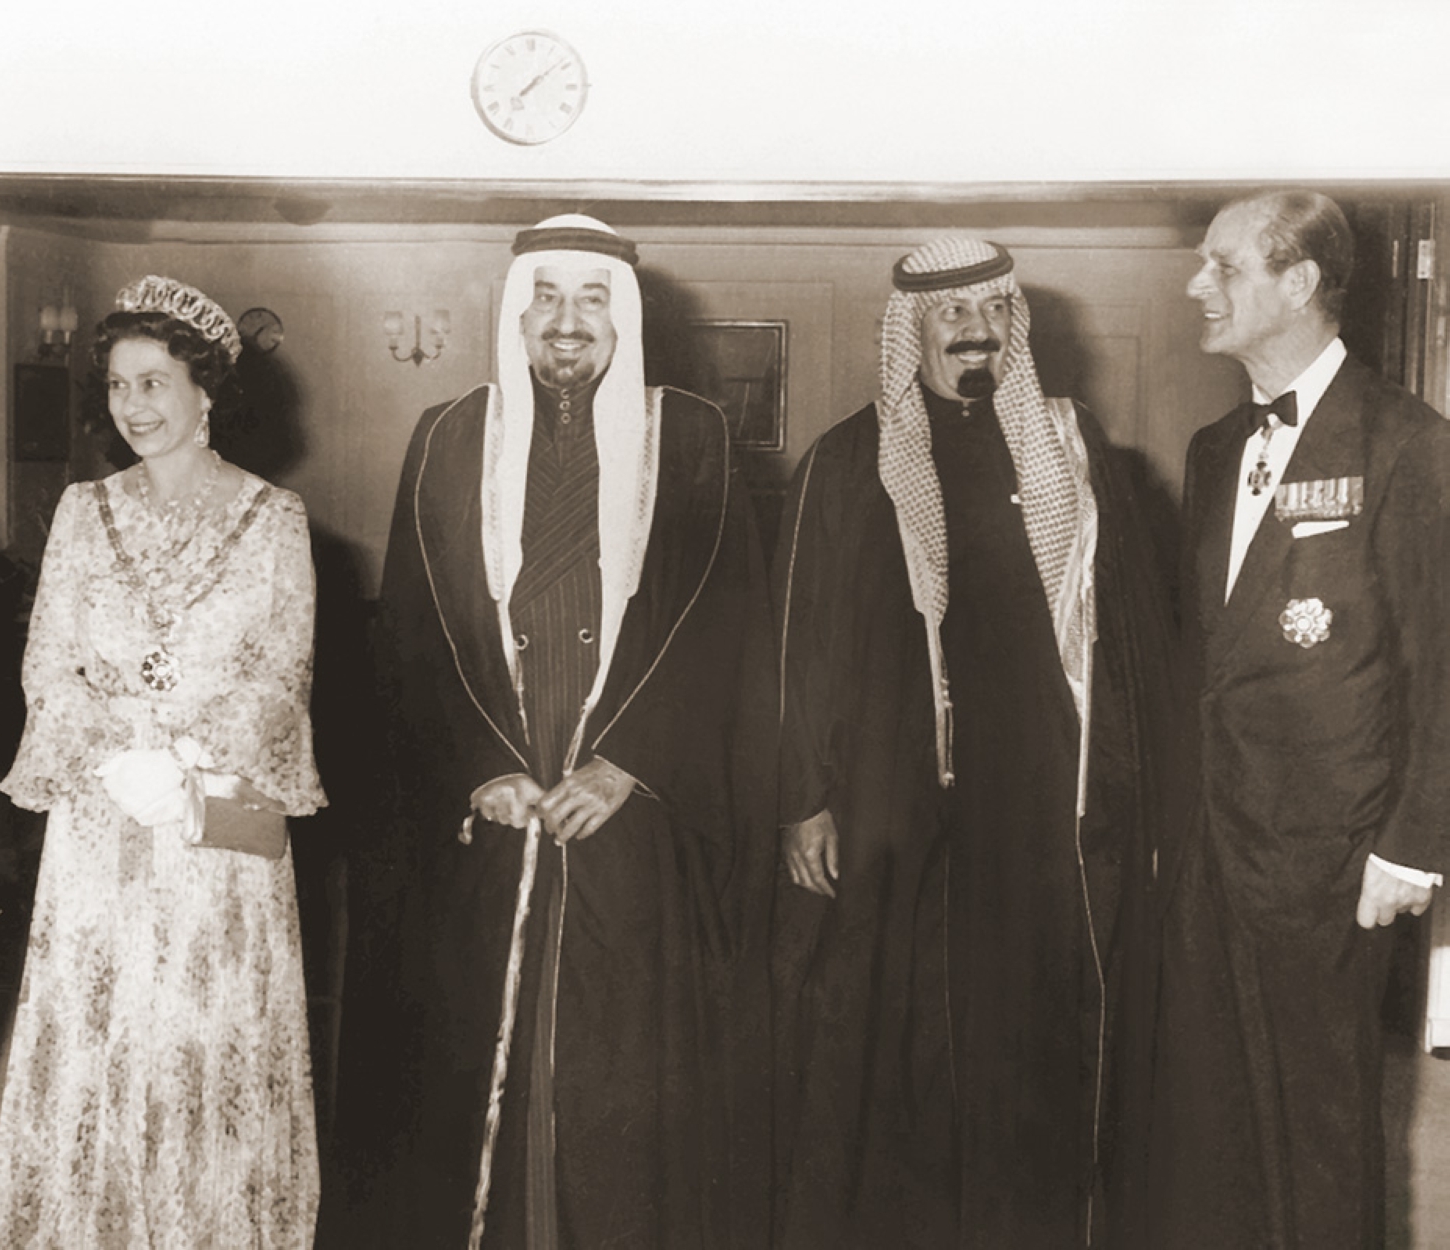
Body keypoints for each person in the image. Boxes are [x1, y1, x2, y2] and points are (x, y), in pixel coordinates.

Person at [338, 215, 777, 1248]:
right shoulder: (447, 436)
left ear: (621, 318)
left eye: (590, 299)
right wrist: (477, 765)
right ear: (516, 312)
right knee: (462, 1077)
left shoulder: (696, 435)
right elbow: (409, 633)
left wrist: (633, 761)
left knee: (618, 1079)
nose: (565, 322)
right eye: (545, 298)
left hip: (630, 821)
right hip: (490, 820)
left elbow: (729, 626)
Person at [771, 237, 1177, 1247]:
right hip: (887, 796)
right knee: (889, 1029)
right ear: (909, 330)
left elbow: (1126, 637)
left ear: (1012, 326)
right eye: (948, 315)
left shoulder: (1072, 456)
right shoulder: (841, 460)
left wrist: (1128, 792)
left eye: (989, 310)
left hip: (1035, 799)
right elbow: (798, 644)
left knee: (1026, 1028)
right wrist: (802, 795)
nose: (970, 331)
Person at [0, 275, 327, 1247]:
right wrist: (115, 756)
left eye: (154, 382)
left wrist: (181, 756)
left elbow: (281, 675)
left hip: (214, 828)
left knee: (198, 1049)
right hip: (98, 824)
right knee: (100, 1042)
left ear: (204, 391)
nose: (133, 405)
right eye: (119, 386)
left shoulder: (275, 518)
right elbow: (46, 665)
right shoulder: (82, 513)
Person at [1149, 191, 1450, 1249]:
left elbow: (1441, 662)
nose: (1197, 285)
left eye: (1222, 266)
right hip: (1210, 848)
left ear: (1298, 282)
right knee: (1210, 1118)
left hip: (1329, 857)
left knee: (1319, 1131)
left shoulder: (1408, 445)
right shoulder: (1207, 449)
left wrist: (1411, 845)